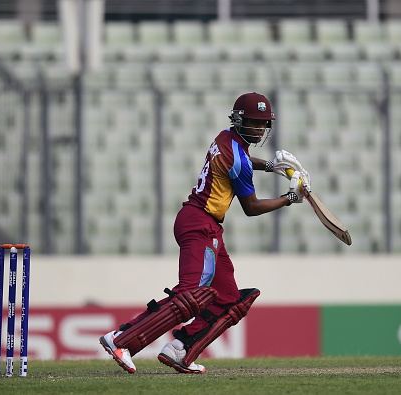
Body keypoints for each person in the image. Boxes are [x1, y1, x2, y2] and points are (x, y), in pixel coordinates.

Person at [99, 92, 310, 374]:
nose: (260, 130)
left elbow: (245, 159)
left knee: (230, 299)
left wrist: (272, 167)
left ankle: (180, 350)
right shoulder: (237, 158)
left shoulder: (227, 137)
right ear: (239, 120)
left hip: (205, 225)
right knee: (191, 295)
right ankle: (121, 339)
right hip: (200, 224)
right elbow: (252, 207)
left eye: (263, 124)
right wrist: (289, 199)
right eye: (254, 123)